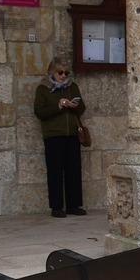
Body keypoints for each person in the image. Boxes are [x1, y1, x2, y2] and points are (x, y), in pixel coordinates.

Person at [34, 57, 86, 218]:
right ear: (52, 72)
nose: (63, 76)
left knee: (73, 170)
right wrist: (58, 106)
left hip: (72, 133)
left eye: (66, 73)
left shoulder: (72, 87)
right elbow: (39, 112)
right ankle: (56, 206)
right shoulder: (43, 88)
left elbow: (82, 109)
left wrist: (74, 106)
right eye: (60, 73)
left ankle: (73, 205)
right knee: (55, 171)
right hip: (54, 134)